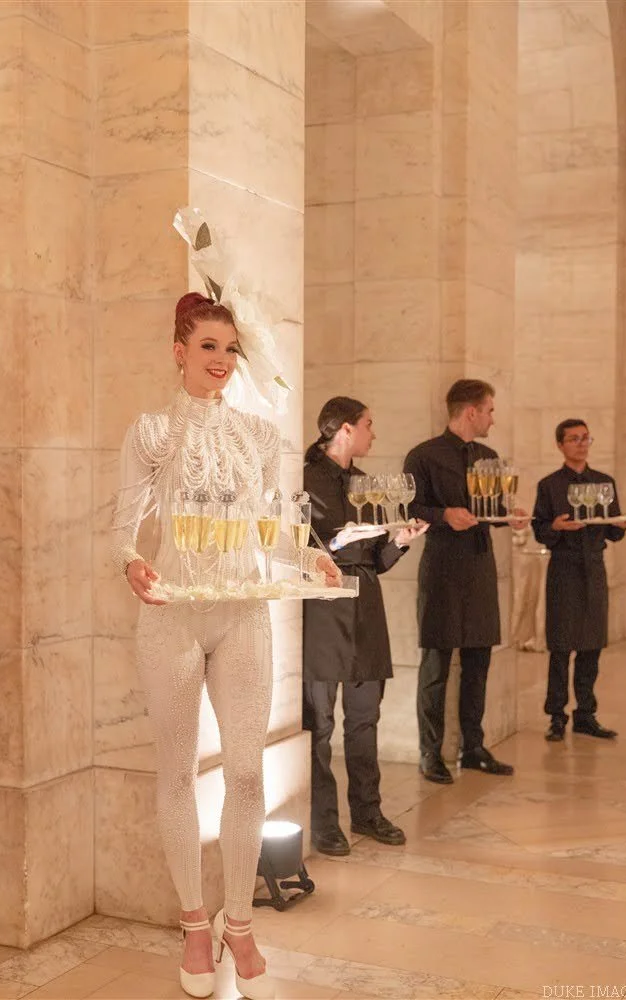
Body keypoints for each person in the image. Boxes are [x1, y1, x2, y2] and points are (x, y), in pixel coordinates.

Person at [112, 220, 338, 1000]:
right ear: (179, 351)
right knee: (178, 772)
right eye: (208, 346)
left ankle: (237, 920)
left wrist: (308, 555)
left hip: (244, 614)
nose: (221, 359)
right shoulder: (151, 433)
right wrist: (131, 562)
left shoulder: (260, 437)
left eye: (231, 349)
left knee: (245, 774)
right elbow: (122, 527)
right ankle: (192, 923)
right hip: (172, 615)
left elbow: (272, 529)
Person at [303, 397, 428, 856]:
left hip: (366, 607)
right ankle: (322, 823)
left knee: (364, 718)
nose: (374, 433)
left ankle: (367, 812)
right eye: (368, 425)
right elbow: (293, 547)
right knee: (318, 725)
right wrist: (336, 542)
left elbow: (377, 559)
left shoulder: (365, 484)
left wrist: (400, 542)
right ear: (345, 429)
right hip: (322, 608)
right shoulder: (302, 479)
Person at [404, 379, 527, 784]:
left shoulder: (489, 458)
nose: (493, 418)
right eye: (489, 410)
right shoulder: (423, 455)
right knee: (436, 665)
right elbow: (408, 507)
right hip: (441, 568)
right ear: (471, 411)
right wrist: (443, 515)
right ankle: (430, 753)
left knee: (479, 662)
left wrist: (510, 516)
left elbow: (492, 507)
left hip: (480, 567)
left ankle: (473, 747)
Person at [532, 419, 626, 742]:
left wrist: (620, 525)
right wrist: (555, 528)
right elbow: (539, 529)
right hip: (563, 569)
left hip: (594, 568)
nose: (581, 444)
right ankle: (556, 716)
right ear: (560, 445)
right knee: (561, 647)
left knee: (592, 645)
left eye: (586, 438)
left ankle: (586, 714)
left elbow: (612, 531)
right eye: (574, 439)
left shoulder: (604, 482)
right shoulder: (549, 485)